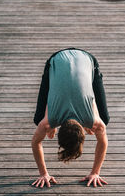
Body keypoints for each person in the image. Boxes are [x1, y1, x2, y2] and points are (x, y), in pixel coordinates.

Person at [31, 48, 110, 188]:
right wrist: (44, 174)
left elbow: (36, 142)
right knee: (40, 120)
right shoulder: (49, 122)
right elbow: (103, 142)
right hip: (57, 60)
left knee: (104, 119)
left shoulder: (49, 122)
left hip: (87, 60)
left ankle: (53, 127)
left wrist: (95, 173)